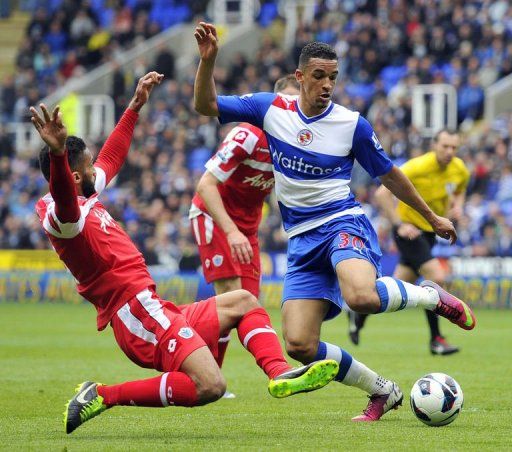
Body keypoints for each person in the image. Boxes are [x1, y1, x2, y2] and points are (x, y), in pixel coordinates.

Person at [193, 22, 476, 422]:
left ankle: (430, 295)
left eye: (333, 77)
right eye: (319, 76)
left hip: (342, 223)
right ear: (300, 76)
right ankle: (383, 391)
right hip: (301, 240)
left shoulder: (351, 124)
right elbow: (206, 106)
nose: (327, 84)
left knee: (361, 296)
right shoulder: (270, 109)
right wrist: (208, 62)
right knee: (299, 345)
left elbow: (389, 174)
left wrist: (431, 216)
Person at [30, 72, 339, 434]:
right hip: (135, 314)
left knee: (243, 301)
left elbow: (113, 156)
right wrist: (56, 152)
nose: (97, 167)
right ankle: (102, 394)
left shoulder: (86, 191)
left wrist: (134, 106)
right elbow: (67, 200)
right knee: (211, 385)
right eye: (88, 165)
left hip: (152, 306)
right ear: (76, 176)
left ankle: (280, 374)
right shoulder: (61, 216)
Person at [189, 75, 300, 398]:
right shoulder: (246, 135)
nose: (290, 110)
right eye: (285, 102)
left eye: (296, 104)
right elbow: (205, 185)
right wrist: (231, 231)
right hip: (214, 217)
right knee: (230, 297)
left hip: (245, 228)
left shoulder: (293, 143)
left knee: (248, 303)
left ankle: (206, 362)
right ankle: (210, 377)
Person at [353, 128, 468, 355]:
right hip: (410, 232)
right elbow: (381, 194)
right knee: (436, 278)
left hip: (429, 233)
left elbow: (460, 190)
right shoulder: (417, 166)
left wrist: (458, 205)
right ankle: (436, 339)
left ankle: (359, 313)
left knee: (393, 290)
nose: (449, 151)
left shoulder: (459, 169)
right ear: (434, 145)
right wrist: (399, 225)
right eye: (445, 146)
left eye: (454, 147)